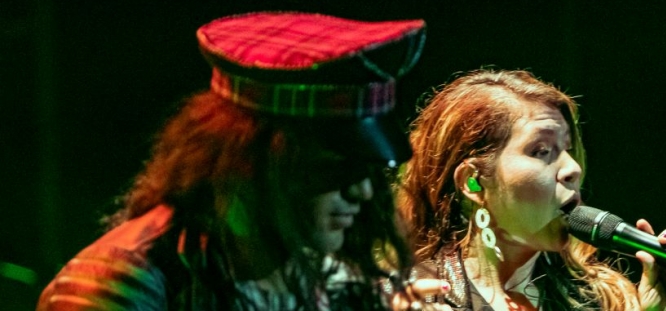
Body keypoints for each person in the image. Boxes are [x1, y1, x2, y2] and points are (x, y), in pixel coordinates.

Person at [38, 12, 428, 310]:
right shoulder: (118, 286)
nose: (362, 191)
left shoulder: (314, 273)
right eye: (335, 167)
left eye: (368, 170)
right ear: (246, 161)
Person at [395, 69, 666, 310]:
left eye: (568, 150)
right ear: (473, 182)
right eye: (541, 151)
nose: (572, 168)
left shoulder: (605, 298)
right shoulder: (415, 296)